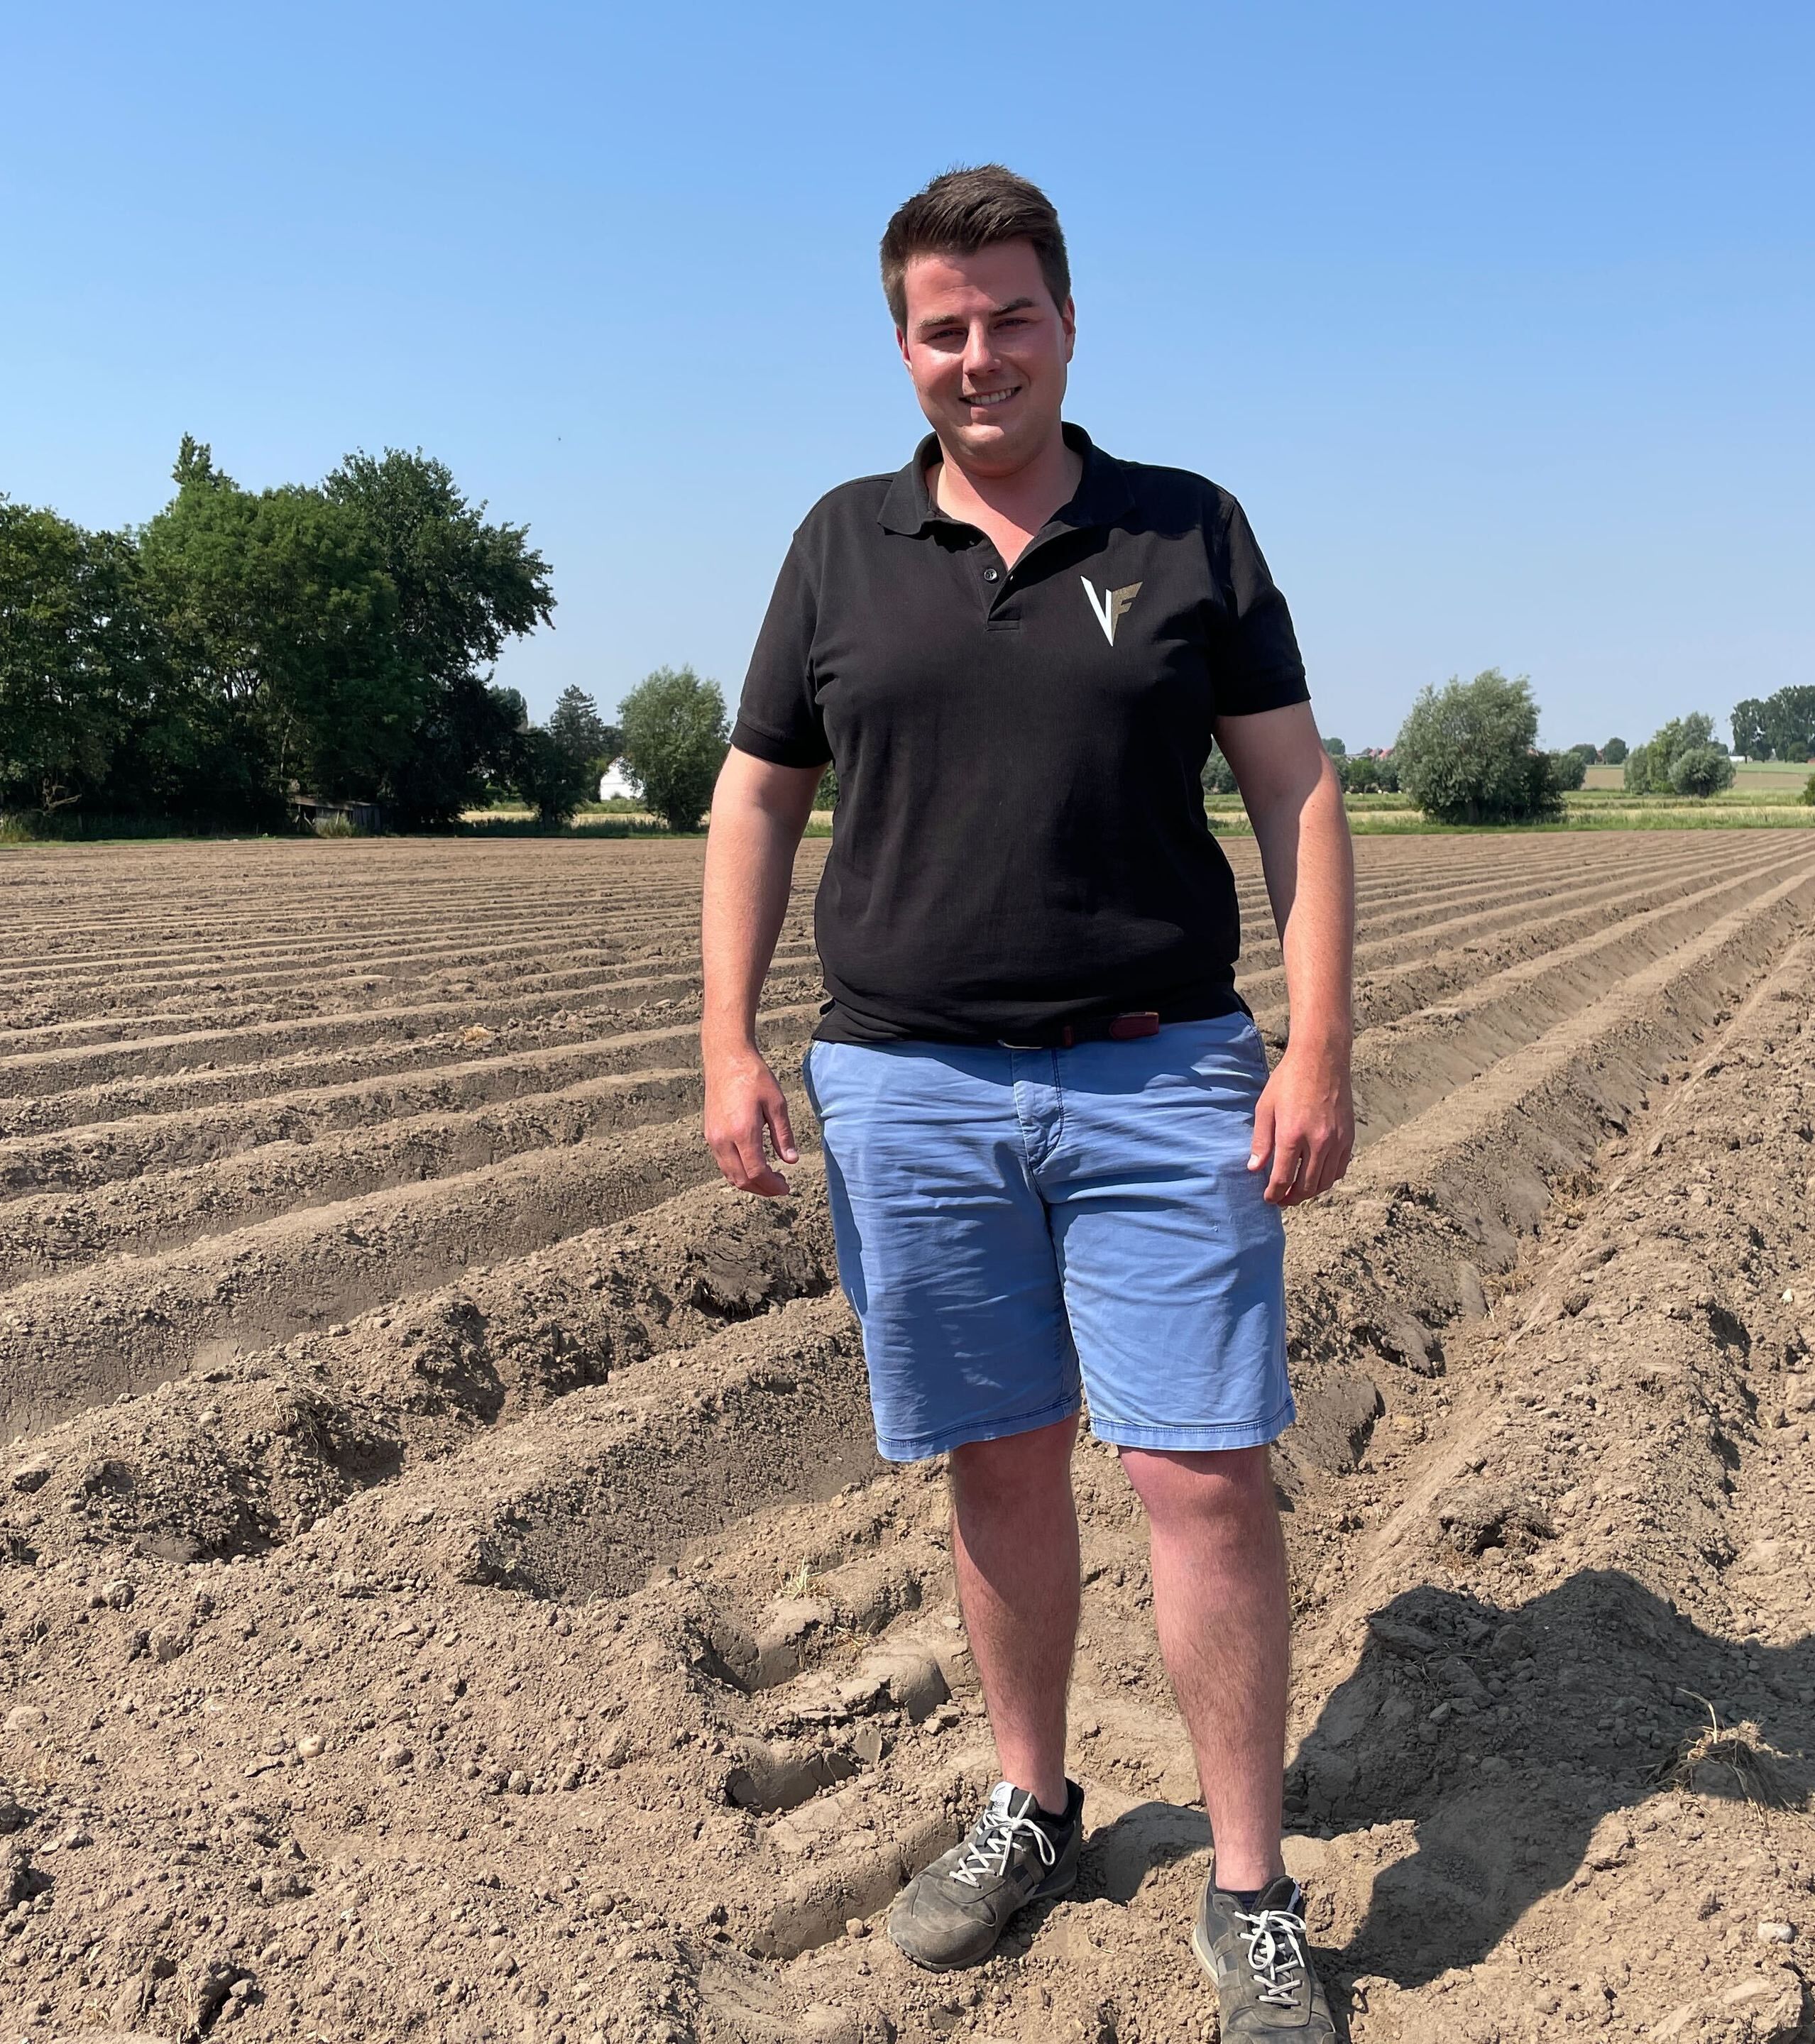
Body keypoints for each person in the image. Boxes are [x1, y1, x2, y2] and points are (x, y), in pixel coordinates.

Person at [698, 165, 1355, 2042]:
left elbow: (1295, 789)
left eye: (1010, 319)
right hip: (909, 1088)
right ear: (904, 347)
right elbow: (758, 794)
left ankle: (1250, 1892)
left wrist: (1317, 1043)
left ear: (1069, 325)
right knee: (996, 1458)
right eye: (943, 328)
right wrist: (727, 1041)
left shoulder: (1187, 528)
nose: (978, 355)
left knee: (1200, 1474)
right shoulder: (840, 543)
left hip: (1161, 1076)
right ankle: (1034, 1804)